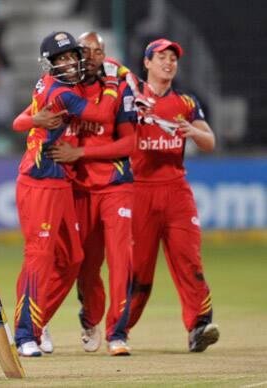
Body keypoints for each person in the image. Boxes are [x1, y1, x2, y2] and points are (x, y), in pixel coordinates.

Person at [10, 31, 121, 357]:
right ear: (50, 64)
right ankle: (23, 333)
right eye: (61, 59)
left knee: (73, 259)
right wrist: (113, 83)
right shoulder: (60, 90)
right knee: (39, 256)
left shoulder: (47, 83)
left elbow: (19, 121)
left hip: (61, 182)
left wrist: (34, 118)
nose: (69, 62)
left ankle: (37, 322)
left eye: (72, 55)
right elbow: (102, 115)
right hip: (39, 181)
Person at [46, 32, 137, 356]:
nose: (93, 55)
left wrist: (80, 154)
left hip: (115, 186)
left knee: (120, 260)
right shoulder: (65, 88)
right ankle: (89, 318)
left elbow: (129, 143)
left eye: (99, 51)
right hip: (79, 188)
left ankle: (119, 333)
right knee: (84, 266)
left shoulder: (120, 88)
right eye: (86, 50)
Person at [127, 38, 219, 352]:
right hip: (140, 191)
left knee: (189, 261)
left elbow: (210, 141)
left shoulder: (186, 102)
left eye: (173, 59)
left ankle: (199, 328)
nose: (169, 63)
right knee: (138, 270)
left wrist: (193, 132)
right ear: (147, 63)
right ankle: (119, 329)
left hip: (177, 190)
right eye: (162, 57)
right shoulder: (132, 98)